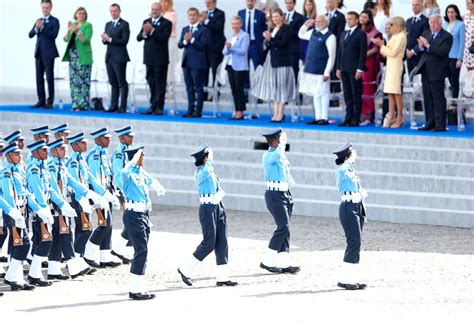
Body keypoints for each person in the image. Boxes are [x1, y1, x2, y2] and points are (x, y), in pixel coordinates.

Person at [178, 144, 238, 287]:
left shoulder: (208, 169)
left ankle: (223, 277)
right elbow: (206, 169)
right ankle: (185, 268)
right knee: (209, 242)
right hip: (207, 208)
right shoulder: (202, 172)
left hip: (217, 206)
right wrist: (208, 156)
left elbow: (211, 171)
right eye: (208, 156)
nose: (210, 158)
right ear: (204, 158)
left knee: (222, 241)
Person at [46, 137, 96, 280]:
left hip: (62, 204)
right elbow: (53, 189)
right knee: (65, 234)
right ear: (54, 152)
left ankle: (53, 269)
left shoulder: (61, 165)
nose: (65, 150)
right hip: (56, 206)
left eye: (64, 148)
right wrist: (62, 205)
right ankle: (74, 266)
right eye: (61, 148)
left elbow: (73, 182)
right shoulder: (52, 166)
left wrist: (90, 194)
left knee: (58, 236)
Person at [121, 146, 165, 300]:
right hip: (133, 215)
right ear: (135, 157)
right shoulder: (128, 173)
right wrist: (130, 162)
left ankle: (138, 286)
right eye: (141, 155)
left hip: (143, 214)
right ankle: (134, 290)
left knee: (142, 251)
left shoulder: (140, 172)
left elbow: (150, 179)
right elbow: (123, 173)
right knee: (141, 250)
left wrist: (157, 186)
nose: (144, 158)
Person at [26, 139, 65, 287]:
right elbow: (37, 192)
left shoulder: (43, 168)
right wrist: (43, 210)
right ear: (35, 153)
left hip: (44, 209)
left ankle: (34, 273)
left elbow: (49, 189)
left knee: (41, 240)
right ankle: (33, 274)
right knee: (45, 240)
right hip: (39, 211)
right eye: (43, 150)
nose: (46, 152)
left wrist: (62, 203)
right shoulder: (34, 170)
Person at [259, 129, 299, 274]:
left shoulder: (280, 154)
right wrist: (282, 145)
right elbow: (277, 155)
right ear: (274, 141)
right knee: (283, 226)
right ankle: (267, 260)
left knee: (286, 229)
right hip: (274, 195)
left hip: (285, 193)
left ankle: (284, 262)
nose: (283, 141)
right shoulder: (268, 155)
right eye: (280, 139)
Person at [83, 128, 121, 267]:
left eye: (109, 137)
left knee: (109, 226)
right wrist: (101, 197)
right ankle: (88, 252)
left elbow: (108, 175)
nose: (109, 140)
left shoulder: (104, 154)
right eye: (105, 138)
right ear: (98, 140)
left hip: (107, 191)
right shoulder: (94, 156)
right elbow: (95, 179)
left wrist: (113, 191)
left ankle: (104, 256)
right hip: (100, 194)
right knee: (104, 224)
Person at [66, 132, 109, 257]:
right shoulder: (73, 162)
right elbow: (75, 184)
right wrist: (83, 199)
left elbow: (90, 178)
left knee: (82, 228)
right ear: (74, 145)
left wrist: (104, 193)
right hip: (77, 197)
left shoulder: (81, 160)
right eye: (82, 142)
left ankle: (78, 257)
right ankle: (75, 258)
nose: (86, 144)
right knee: (86, 228)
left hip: (83, 197)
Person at [332, 143, 368, 290]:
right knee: (354, 242)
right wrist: (347, 161)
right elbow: (342, 171)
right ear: (347, 156)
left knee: (355, 243)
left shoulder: (351, 169)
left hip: (356, 206)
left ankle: (351, 277)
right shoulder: (343, 169)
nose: (354, 154)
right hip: (348, 207)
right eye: (351, 153)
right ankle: (348, 279)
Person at [1, 143, 36, 291]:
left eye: (20, 154)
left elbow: (22, 190)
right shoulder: (6, 173)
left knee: (18, 244)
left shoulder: (15, 171)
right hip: (13, 213)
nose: (19, 156)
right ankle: (11, 276)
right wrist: (12, 212)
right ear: (9, 156)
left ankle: (16, 279)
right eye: (16, 154)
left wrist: (33, 202)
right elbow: (8, 195)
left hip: (20, 211)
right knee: (24, 244)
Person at [252, 8, 296, 122]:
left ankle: (280, 113)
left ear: (282, 17)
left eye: (277, 16)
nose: (275, 19)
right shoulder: (272, 28)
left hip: (283, 61)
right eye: (273, 17)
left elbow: (283, 43)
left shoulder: (286, 28)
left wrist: (270, 38)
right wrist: (267, 40)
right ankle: (276, 113)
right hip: (273, 61)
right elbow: (270, 45)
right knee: (275, 89)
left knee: (281, 88)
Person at [412, 14, 453, 132]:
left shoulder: (447, 36)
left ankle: (440, 125)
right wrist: (420, 47)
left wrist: (428, 46)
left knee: (438, 98)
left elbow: (442, 51)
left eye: (435, 22)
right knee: (427, 98)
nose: (432, 25)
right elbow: (422, 50)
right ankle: (429, 123)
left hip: (438, 70)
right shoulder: (426, 34)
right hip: (426, 69)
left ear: (440, 23)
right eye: (430, 22)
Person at [299, 15, 336, 125]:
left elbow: (331, 56)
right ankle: (317, 116)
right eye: (316, 21)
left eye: (320, 21)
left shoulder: (330, 36)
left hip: (321, 70)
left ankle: (324, 117)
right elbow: (300, 34)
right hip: (311, 68)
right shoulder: (313, 32)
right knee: (315, 93)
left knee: (323, 93)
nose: (317, 23)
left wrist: (327, 71)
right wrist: (306, 25)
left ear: (326, 22)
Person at [137, 2, 172, 116]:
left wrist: (152, 30)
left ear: (161, 10)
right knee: (151, 82)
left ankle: (159, 107)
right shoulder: (146, 21)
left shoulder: (167, 23)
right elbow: (138, 38)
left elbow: (164, 38)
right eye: (153, 9)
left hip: (160, 59)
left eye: (156, 9)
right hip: (148, 58)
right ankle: (152, 105)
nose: (154, 11)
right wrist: (144, 33)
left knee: (160, 83)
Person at [373, 16, 407, 128]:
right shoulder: (394, 36)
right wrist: (381, 44)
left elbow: (392, 53)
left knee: (396, 92)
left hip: (396, 65)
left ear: (397, 25)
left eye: (391, 25)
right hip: (391, 65)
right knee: (390, 91)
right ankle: (391, 115)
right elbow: (386, 52)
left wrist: (381, 45)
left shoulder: (402, 36)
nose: (389, 27)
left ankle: (399, 118)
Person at [336, 11, 367, 127]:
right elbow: (340, 52)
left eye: (351, 19)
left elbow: (362, 53)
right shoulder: (343, 33)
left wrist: (360, 69)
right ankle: (348, 117)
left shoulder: (360, 34)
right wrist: (338, 67)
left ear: (356, 20)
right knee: (347, 95)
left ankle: (355, 119)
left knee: (356, 95)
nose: (348, 21)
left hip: (354, 70)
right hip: (344, 69)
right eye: (347, 19)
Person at [178, 8, 210, 118]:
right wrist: (185, 41)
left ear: (198, 16)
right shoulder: (185, 29)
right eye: (190, 15)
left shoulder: (203, 30)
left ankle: (198, 110)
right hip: (187, 62)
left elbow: (203, 45)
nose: (192, 17)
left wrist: (192, 40)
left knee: (199, 88)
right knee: (189, 87)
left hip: (198, 63)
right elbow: (180, 45)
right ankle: (190, 109)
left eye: (194, 15)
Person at [111, 126, 136, 263]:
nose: (132, 138)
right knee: (132, 220)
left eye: (132, 136)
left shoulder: (129, 152)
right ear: (121, 138)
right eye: (129, 136)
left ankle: (123, 251)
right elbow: (118, 174)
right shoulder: (119, 153)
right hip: (124, 191)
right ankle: (119, 249)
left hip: (130, 190)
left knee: (133, 220)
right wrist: (124, 191)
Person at [28, 0, 60, 109]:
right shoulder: (39, 21)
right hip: (39, 54)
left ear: (50, 8)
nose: (45, 10)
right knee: (39, 78)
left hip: (49, 54)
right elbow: (30, 34)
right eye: (43, 8)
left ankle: (49, 102)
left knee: (49, 78)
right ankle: (41, 100)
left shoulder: (55, 21)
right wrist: (37, 28)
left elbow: (53, 35)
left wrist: (43, 28)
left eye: (47, 8)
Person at [62, 7, 93, 111]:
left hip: (83, 56)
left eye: (83, 13)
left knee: (83, 81)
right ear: (75, 15)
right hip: (73, 55)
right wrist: (68, 30)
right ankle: (75, 104)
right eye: (79, 13)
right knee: (74, 80)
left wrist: (77, 32)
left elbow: (85, 40)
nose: (81, 15)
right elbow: (65, 39)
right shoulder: (73, 24)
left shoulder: (88, 25)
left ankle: (83, 104)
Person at [101, 3, 130, 114]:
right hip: (109, 56)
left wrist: (110, 39)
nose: (113, 13)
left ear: (119, 11)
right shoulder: (108, 24)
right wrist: (104, 39)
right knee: (113, 82)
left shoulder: (124, 24)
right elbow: (106, 41)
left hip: (120, 57)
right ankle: (113, 105)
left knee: (121, 82)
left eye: (115, 11)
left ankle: (122, 106)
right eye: (111, 11)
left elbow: (124, 41)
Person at [223, 16, 250, 120]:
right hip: (230, 65)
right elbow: (224, 51)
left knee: (239, 89)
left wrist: (232, 48)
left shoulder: (245, 35)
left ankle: (241, 111)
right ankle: (236, 109)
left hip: (240, 66)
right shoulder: (230, 35)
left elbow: (243, 51)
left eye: (236, 24)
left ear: (241, 24)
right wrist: (228, 48)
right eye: (233, 24)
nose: (235, 26)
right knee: (234, 89)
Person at [360, 9, 382, 125]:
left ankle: (368, 116)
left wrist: (361, 56)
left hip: (369, 64)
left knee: (368, 89)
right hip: (357, 64)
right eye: (361, 16)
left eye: (365, 17)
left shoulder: (376, 33)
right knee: (359, 89)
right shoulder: (357, 30)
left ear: (369, 18)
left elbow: (375, 49)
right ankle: (359, 114)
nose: (362, 19)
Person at [200, 0, 226, 100]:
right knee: (204, 72)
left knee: (215, 71)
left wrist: (206, 21)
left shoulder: (220, 13)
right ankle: (204, 94)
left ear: (215, 3)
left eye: (209, 2)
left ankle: (215, 94)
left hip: (215, 48)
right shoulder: (203, 14)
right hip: (204, 48)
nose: (207, 4)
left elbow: (218, 28)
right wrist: (201, 22)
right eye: (206, 2)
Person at [443, 5, 465, 109]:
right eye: (448, 12)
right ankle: (450, 100)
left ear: (456, 13)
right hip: (445, 57)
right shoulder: (445, 24)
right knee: (448, 80)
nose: (450, 14)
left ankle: (454, 104)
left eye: (452, 12)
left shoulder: (460, 25)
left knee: (454, 80)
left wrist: (460, 58)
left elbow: (462, 43)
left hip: (455, 57)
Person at [238, 0, 268, 72]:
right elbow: (239, 27)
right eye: (248, 1)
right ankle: (246, 83)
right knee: (244, 67)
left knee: (258, 66)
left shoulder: (260, 14)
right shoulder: (241, 13)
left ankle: (259, 83)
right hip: (244, 44)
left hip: (255, 44)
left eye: (252, 1)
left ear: (255, 2)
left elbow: (264, 28)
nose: (249, 3)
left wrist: (260, 39)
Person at [326, 0, 346, 101]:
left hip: (335, 47)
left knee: (334, 72)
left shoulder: (340, 16)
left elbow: (339, 34)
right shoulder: (324, 16)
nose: (329, 4)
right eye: (328, 2)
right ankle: (327, 95)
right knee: (326, 72)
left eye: (331, 2)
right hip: (324, 48)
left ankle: (335, 98)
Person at [406, 0, 430, 74]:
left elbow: (424, 38)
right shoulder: (408, 21)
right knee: (411, 79)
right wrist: (407, 51)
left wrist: (413, 52)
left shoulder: (426, 21)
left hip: (419, 55)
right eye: (413, 5)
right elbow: (407, 37)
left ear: (421, 6)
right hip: (408, 56)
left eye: (417, 5)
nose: (414, 7)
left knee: (418, 80)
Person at [284, 0, 305, 81]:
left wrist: (288, 27)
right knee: (284, 71)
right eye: (287, 3)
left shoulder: (299, 17)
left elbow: (300, 33)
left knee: (294, 70)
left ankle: (294, 90)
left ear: (294, 4)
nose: (288, 5)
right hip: (284, 49)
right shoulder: (283, 16)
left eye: (290, 3)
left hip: (294, 49)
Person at [160, 0, 178, 85]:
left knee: (170, 63)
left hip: (170, 40)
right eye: (162, 2)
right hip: (160, 41)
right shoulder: (160, 14)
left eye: (165, 2)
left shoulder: (172, 14)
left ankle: (169, 86)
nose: (163, 4)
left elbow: (168, 25)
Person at [464, 0, 474, 71]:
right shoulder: (465, 16)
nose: (466, 4)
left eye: (468, 3)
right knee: (469, 71)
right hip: (466, 48)